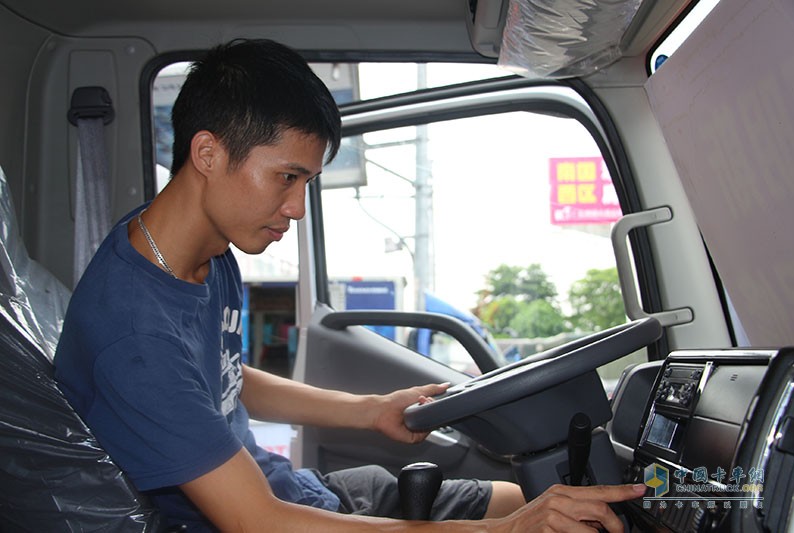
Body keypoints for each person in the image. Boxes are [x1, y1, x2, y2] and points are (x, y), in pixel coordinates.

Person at [54, 38, 645, 532]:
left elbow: (223, 377)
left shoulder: (205, 250)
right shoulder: (132, 332)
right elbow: (258, 522)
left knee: (522, 498)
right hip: (257, 517)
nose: (295, 207)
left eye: (305, 182)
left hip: (296, 490)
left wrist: (370, 411)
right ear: (206, 152)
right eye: (286, 177)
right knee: (526, 517)